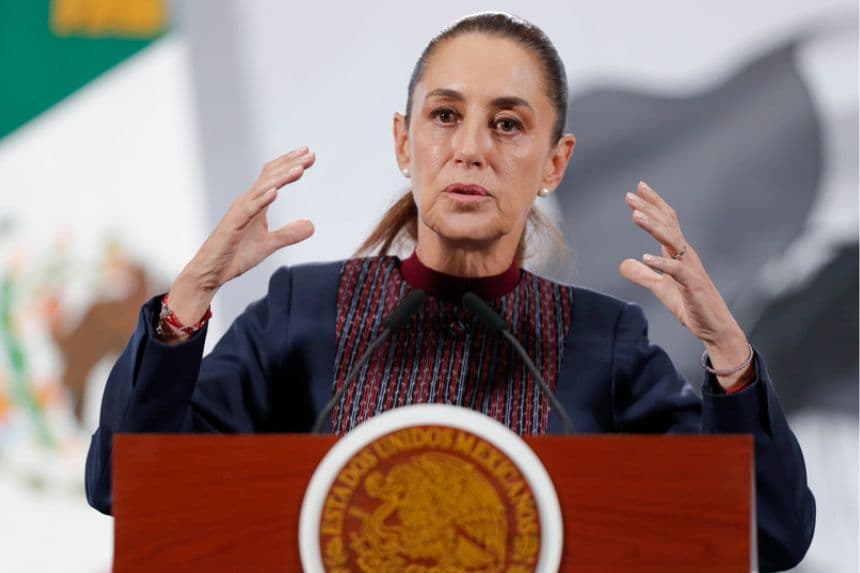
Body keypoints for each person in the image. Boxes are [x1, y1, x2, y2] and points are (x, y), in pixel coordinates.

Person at [85, 12, 814, 571]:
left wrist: (729, 357)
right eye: (445, 116)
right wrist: (188, 301)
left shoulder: (603, 341)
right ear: (405, 143)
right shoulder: (300, 316)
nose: (471, 148)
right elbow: (126, 486)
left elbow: (770, 535)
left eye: (507, 123)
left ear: (555, 163)